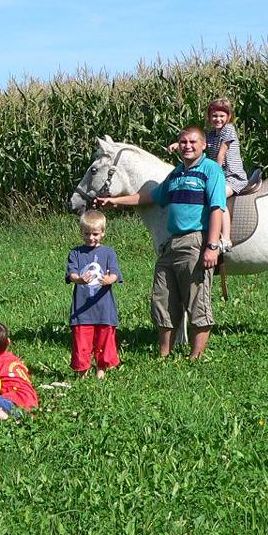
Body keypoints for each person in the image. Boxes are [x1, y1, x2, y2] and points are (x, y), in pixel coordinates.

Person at [98, 126, 226, 359]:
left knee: (196, 299)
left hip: (195, 240)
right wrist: (115, 201)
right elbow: (151, 196)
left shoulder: (211, 170)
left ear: (204, 145)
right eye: (183, 142)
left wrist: (212, 246)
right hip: (171, 242)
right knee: (162, 298)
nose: (187, 146)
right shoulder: (177, 173)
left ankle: (196, 356)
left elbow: (217, 208)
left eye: (193, 142)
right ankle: (164, 354)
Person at [169, 98, 247, 251]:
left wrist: (215, 176)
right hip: (219, 174)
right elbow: (197, 143)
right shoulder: (211, 134)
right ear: (209, 117)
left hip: (231, 176)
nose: (218, 119)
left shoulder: (228, 130)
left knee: (218, 196)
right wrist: (178, 144)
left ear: (229, 117)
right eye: (214, 116)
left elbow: (221, 155)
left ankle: (226, 238)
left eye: (222, 116)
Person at [66, 209, 122, 379]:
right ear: (81, 232)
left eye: (95, 234)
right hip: (82, 310)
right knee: (81, 342)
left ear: (103, 233)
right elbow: (71, 274)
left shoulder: (109, 252)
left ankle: (101, 372)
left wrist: (109, 280)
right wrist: (79, 279)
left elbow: (115, 273)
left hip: (104, 309)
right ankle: (82, 374)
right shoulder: (75, 253)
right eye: (87, 234)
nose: (91, 237)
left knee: (104, 341)